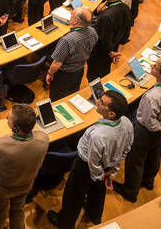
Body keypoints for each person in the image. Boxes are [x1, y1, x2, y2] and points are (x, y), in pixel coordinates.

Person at [48, 91, 134, 228]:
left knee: (74, 195)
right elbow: (126, 149)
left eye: (102, 102)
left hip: (86, 168)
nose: (98, 101)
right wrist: (110, 172)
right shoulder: (127, 123)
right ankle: (94, 215)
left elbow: (92, 162)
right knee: (98, 192)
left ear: (111, 114)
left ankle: (65, 223)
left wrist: (98, 175)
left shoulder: (98, 135)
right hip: (108, 166)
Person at [112, 59, 161, 203]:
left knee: (135, 160)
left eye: (156, 66)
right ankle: (148, 181)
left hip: (145, 132)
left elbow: (150, 124)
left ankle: (130, 191)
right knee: (154, 154)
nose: (152, 65)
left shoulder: (152, 97)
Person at [0, 104, 48, 229]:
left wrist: (7, 137)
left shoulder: (2, 145)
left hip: (1, 188)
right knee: (18, 210)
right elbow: (37, 134)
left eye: (9, 117)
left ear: (17, 128)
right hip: (25, 184)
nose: (6, 116)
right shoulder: (44, 139)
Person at [45, 7, 98, 101]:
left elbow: (57, 63)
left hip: (64, 75)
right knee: (72, 95)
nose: (70, 16)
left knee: (57, 99)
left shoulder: (67, 40)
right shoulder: (93, 32)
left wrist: (50, 72)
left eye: (71, 15)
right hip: (79, 70)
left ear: (75, 21)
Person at [88, 0, 132, 81]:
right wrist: (118, 51)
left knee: (94, 78)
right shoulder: (125, 7)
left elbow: (105, 38)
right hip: (113, 49)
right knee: (104, 72)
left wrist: (111, 53)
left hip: (101, 52)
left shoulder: (107, 15)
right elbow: (126, 31)